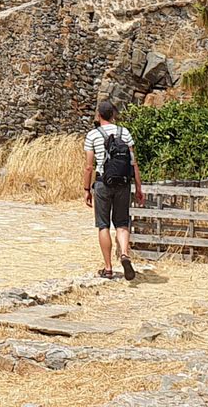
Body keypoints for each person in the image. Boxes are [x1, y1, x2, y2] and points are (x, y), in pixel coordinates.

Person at [82, 99, 144, 280]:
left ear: (99, 115)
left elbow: (88, 167)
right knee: (122, 224)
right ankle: (124, 254)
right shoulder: (124, 132)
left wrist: (87, 189)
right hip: (123, 183)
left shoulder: (93, 135)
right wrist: (139, 187)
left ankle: (108, 268)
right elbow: (133, 163)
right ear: (113, 115)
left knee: (103, 225)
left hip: (103, 183)